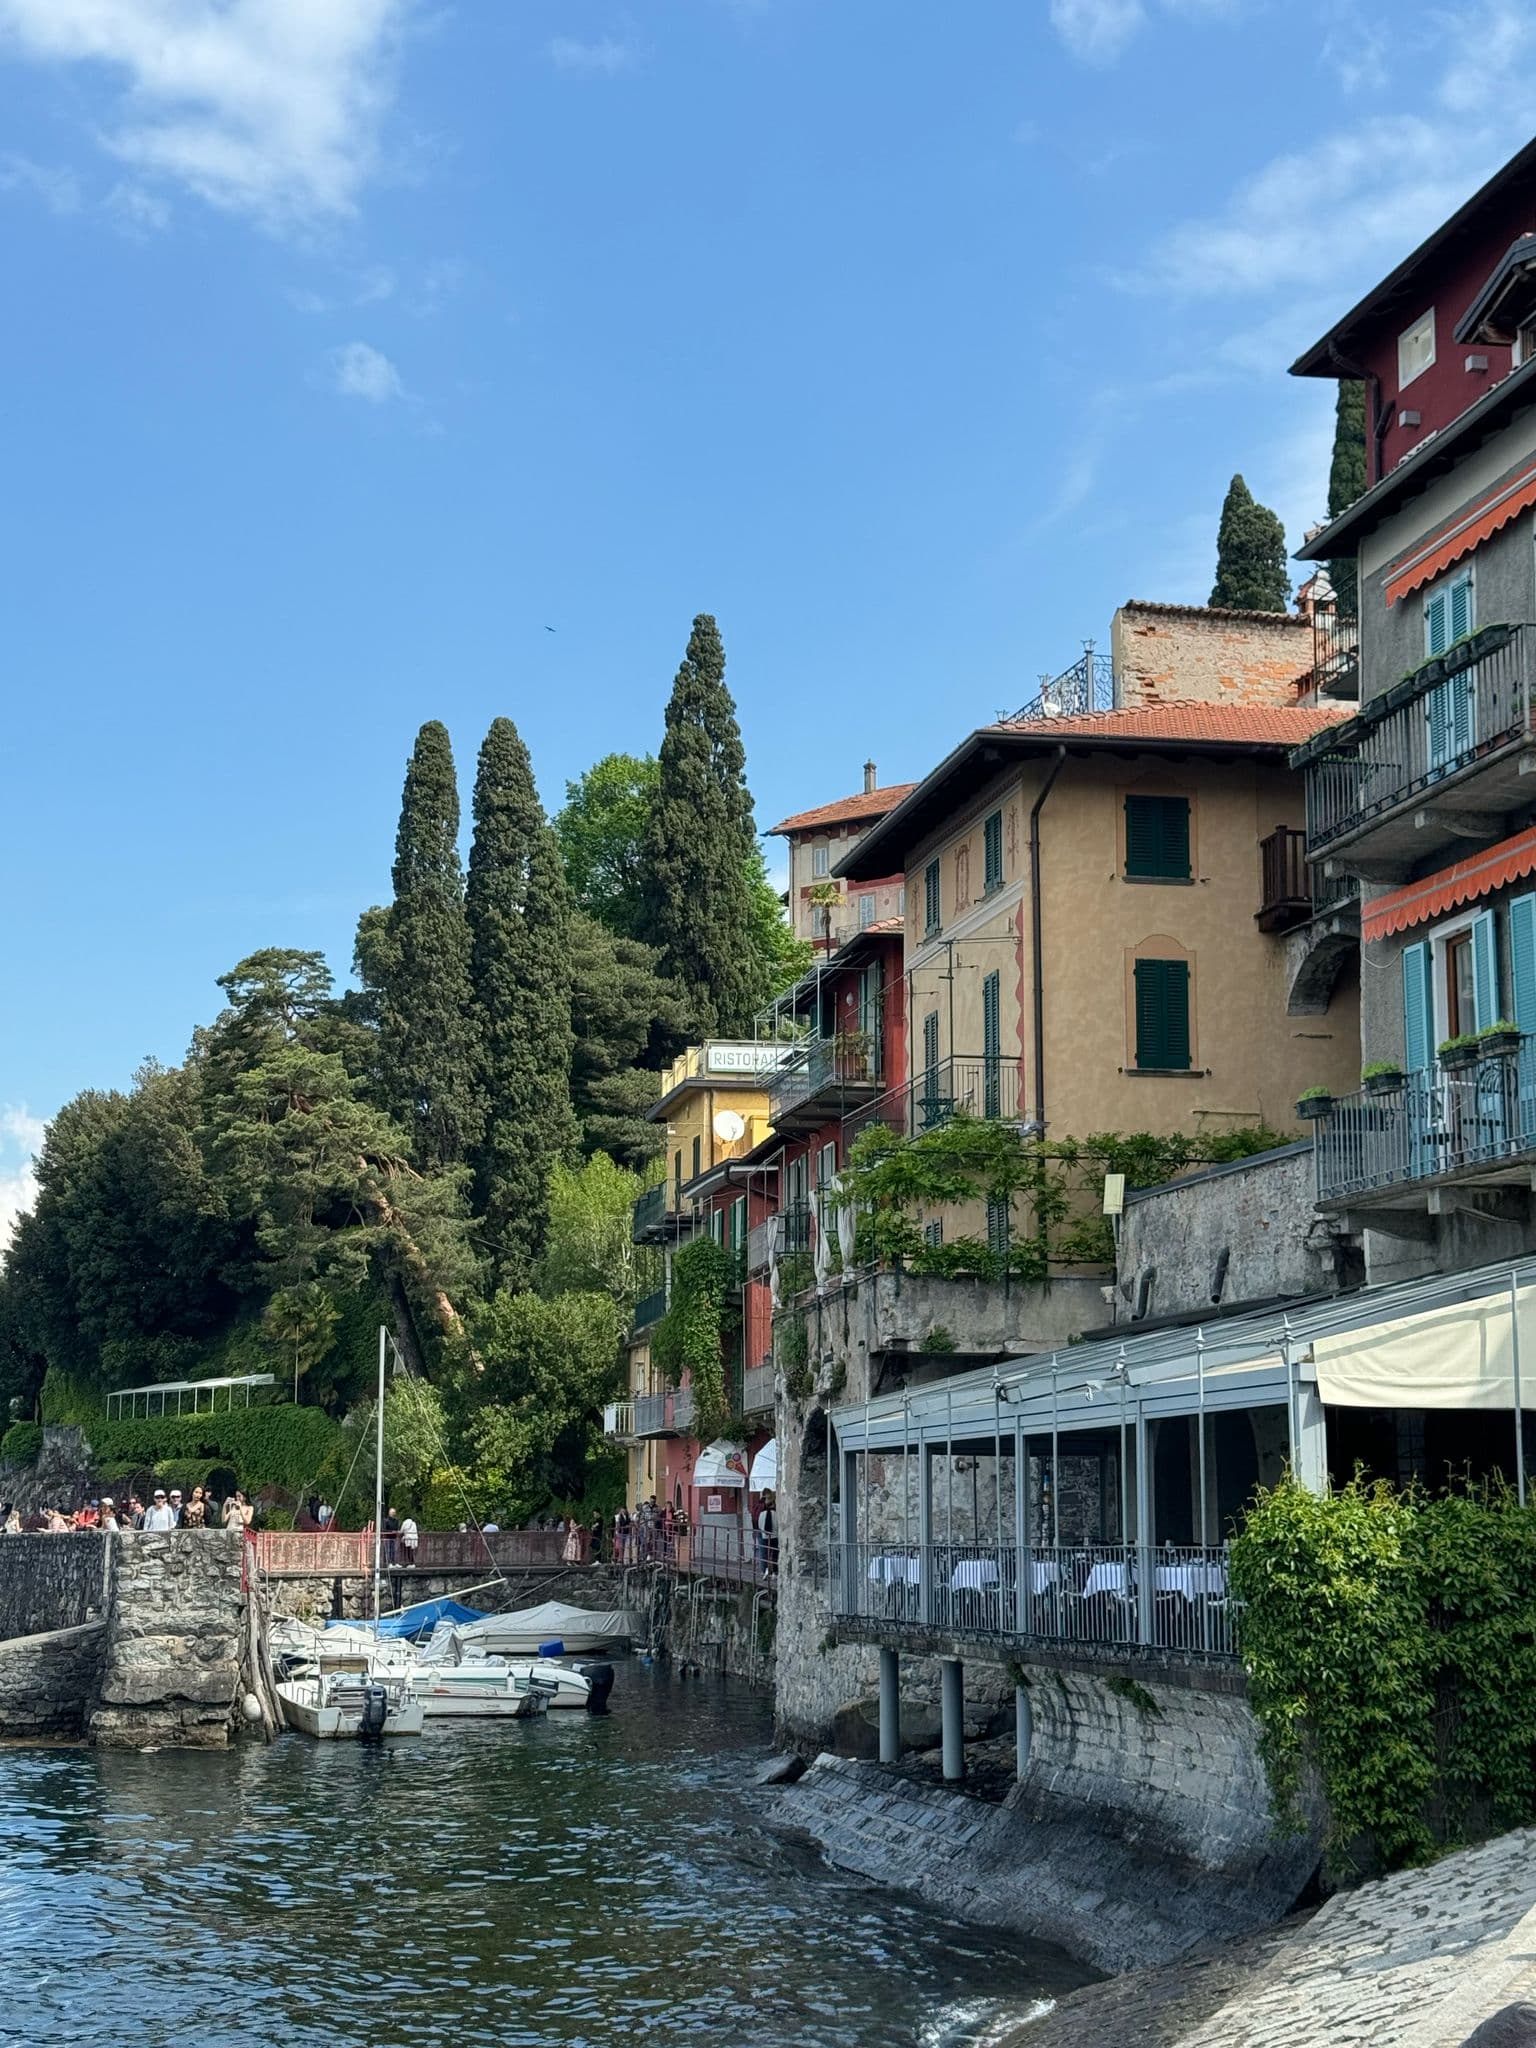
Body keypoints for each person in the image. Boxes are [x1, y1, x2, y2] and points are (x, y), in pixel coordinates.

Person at [758, 1493, 778, 1580]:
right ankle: (774, 1572)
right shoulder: (776, 1514)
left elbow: (759, 1525)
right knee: (774, 1555)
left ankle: (766, 1571)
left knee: (765, 1554)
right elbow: (778, 1525)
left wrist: (764, 1532)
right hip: (775, 1537)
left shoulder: (761, 1514)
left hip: (765, 1536)